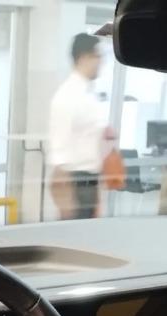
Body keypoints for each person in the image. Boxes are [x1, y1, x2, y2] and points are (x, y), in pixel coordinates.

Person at [48, 33, 109, 219]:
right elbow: (60, 150)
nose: (101, 62)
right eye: (98, 56)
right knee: (74, 233)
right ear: (84, 58)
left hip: (89, 180)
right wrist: (65, 199)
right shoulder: (68, 95)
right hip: (74, 182)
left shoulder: (89, 94)